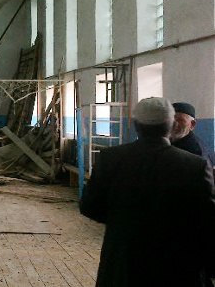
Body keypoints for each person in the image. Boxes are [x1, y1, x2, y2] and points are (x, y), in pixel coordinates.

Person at [80, 97, 215, 287]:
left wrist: (124, 220)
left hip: (123, 262)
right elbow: (208, 222)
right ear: (170, 124)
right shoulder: (195, 165)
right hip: (177, 266)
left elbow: (89, 206)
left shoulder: (110, 159)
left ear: (136, 124)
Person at [171, 102, 215, 168]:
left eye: (180, 120)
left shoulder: (195, 151)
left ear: (192, 124)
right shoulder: (174, 141)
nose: (175, 124)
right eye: (171, 120)